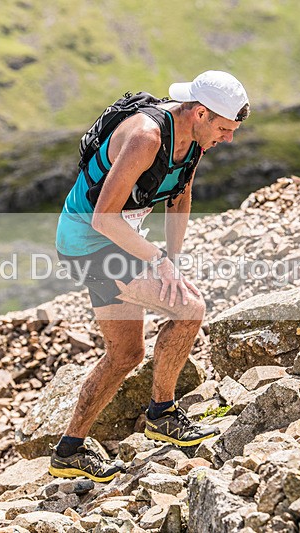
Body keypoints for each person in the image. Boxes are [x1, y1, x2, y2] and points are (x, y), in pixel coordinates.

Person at [51, 70, 250, 482]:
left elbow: (179, 199)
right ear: (200, 112)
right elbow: (104, 216)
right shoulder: (147, 137)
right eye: (224, 129)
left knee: (126, 355)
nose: (228, 139)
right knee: (190, 309)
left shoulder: (194, 139)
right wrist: (159, 261)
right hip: (91, 242)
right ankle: (163, 414)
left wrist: (173, 259)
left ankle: (68, 452)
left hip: (118, 241)